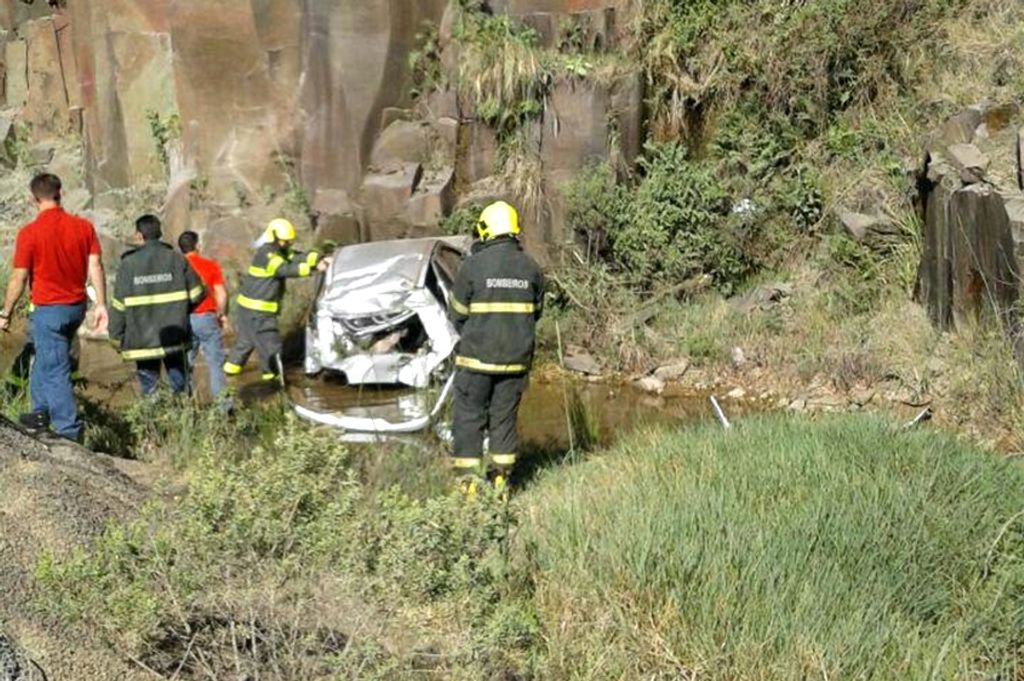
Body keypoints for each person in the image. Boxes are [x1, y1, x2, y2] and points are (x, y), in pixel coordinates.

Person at [0, 173, 108, 442]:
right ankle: (39, 414)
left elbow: (19, 277)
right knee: (44, 361)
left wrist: (6, 312)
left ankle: (68, 431)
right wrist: (102, 304)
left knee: (55, 368)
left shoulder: (29, 233)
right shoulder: (83, 227)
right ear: (61, 193)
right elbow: (95, 266)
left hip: (49, 309)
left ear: (33, 199)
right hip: (75, 307)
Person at [448, 201, 544, 491]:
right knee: (503, 421)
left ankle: (470, 487)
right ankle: (501, 482)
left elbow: (457, 313)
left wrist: (477, 337)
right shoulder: (532, 268)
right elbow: (536, 313)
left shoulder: (473, 265)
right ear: (513, 231)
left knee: (469, 418)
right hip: (515, 363)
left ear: (486, 230)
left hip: (476, 362)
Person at [224, 218, 330, 383]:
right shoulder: (267, 254)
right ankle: (273, 385)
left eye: (288, 241)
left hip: (247, 310)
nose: (287, 244)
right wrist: (314, 269)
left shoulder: (277, 250)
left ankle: (226, 380)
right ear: (273, 237)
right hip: (259, 312)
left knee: (244, 344)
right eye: (284, 241)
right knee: (271, 347)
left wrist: (318, 258)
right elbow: (283, 269)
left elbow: (296, 257)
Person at [109, 215, 205, 396]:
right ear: (160, 233)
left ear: (138, 235)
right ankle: (183, 419)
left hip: (141, 339)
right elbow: (198, 294)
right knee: (181, 387)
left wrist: (115, 336)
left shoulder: (128, 264)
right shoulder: (177, 259)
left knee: (149, 390)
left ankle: (155, 421)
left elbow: (118, 306)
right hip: (175, 335)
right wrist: (181, 312)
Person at [178, 230, 229, 400]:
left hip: (183, 319)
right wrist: (221, 314)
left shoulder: (176, 267)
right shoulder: (210, 265)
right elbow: (221, 293)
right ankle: (223, 409)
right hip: (206, 318)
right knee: (215, 364)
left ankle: (186, 407)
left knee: (185, 365)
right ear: (197, 245)